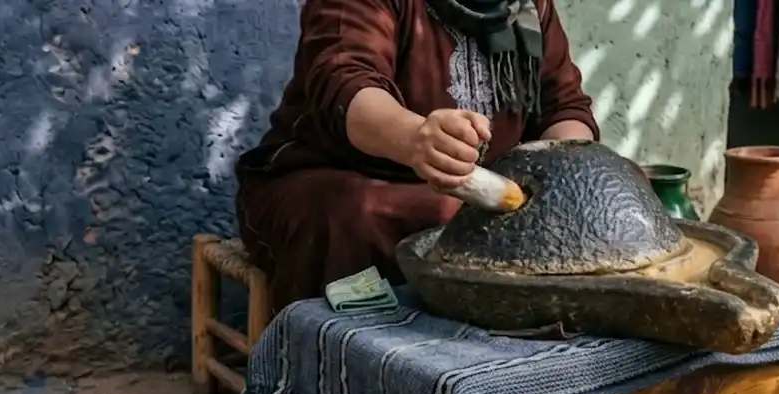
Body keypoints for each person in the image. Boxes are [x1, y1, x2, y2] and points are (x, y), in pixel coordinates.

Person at [235, 0, 600, 313]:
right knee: (355, 214)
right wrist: (415, 139)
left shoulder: (529, 6)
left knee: (605, 195)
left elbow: (564, 107)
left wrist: (568, 179)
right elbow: (345, 80)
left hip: (479, 196)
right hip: (333, 178)